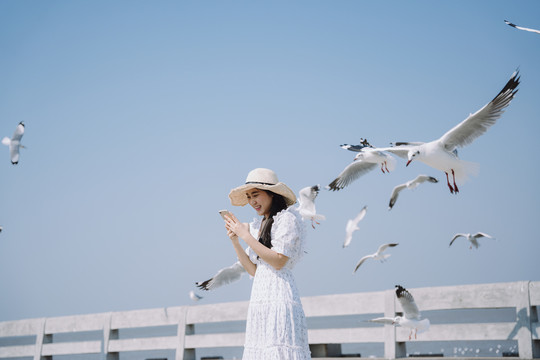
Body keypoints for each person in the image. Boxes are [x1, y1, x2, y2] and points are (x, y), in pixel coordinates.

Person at [223, 168, 311, 359]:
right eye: (248, 197)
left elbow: (279, 261)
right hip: (260, 295)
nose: (252, 201)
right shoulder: (258, 224)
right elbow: (254, 270)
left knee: (280, 349)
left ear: (272, 194)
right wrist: (236, 241)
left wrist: (245, 235)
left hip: (279, 293)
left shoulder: (287, 219)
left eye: (255, 194)